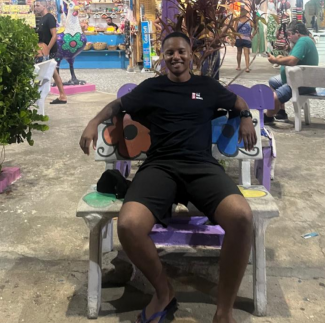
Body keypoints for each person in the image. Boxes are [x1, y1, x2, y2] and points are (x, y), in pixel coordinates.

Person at [80, 31, 256, 323]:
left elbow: (237, 100)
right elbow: (118, 106)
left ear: (191, 55)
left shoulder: (207, 86)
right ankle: (164, 292)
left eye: (181, 51)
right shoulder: (152, 88)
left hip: (201, 167)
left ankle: (224, 312)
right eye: (169, 52)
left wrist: (246, 117)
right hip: (160, 167)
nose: (176, 57)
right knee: (129, 225)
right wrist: (93, 121)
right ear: (163, 57)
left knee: (242, 217)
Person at [265, 21, 319, 124]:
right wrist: (282, 58)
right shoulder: (305, 41)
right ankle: (281, 111)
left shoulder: (303, 41)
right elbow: (294, 58)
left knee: (273, 98)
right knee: (273, 81)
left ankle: (268, 116)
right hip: (298, 79)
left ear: (297, 32)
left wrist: (275, 60)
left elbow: (292, 61)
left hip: (300, 83)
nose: (288, 37)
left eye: (289, 34)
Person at [34, 0, 68, 105]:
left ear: (44, 6)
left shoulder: (49, 17)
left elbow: (54, 35)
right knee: (54, 73)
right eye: (35, 5)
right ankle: (62, 95)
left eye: (38, 5)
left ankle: (61, 95)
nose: (35, 7)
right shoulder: (42, 18)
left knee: (50, 72)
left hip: (49, 50)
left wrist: (48, 49)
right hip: (44, 50)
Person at [235, 8, 252, 72]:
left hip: (239, 38)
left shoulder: (237, 20)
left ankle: (239, 66)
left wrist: (234, 38)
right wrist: (252, 35)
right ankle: (247, 67)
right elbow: (256, 28)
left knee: (239, 52)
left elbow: (234, 30)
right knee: (246, 53)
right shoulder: (249, 20)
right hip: (247, 39)